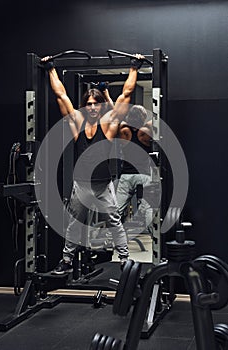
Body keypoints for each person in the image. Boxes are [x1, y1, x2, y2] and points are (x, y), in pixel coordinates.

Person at [41, 53, 144, 274]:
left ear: (100, 105)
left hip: (103, 185)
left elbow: (126, 94)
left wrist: (135, 67)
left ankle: (125, 260)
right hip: (82, 185)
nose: (93, 107)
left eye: (96, 103)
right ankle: (66, 260)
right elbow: (61, 95)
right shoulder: (77, 123)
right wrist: (50, 68)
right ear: (84, 106)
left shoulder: (108, 125)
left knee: (115, 221)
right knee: (74, 224)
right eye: (88, 104)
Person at [115, 105, 154, 235]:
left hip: (127, 175)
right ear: (142, 117)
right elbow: (155, 120)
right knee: (148, 208)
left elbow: (117, 120)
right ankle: (153, 236)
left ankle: (112, 236)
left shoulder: (124, 130)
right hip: (144, 175)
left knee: (117, 210)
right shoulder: (146, 132)